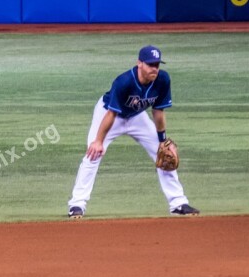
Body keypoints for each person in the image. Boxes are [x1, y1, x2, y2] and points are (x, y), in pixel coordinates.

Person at [67, 45, 199, 219]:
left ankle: (178, 203)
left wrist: (162, 140)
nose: (154, 68)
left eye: (157, 65)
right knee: (93, 154)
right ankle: (77, 204)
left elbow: (158, 112)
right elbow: (111, 113)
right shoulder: (124, 82)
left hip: (137, 117)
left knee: (164, 155)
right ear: (139, 63)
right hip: (109, 115)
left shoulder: (163, 80)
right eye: (150, 64)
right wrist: (98, 141)